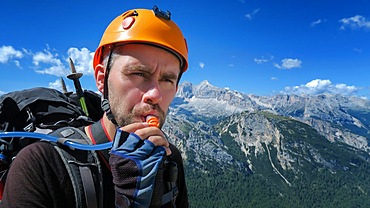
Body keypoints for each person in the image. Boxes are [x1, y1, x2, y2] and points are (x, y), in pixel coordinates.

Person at [1, 5, 189, 208]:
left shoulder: (170, 159)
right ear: (102, 79)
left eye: (168, 79)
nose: (155, 94)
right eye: (139, 73)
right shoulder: (40, 166)